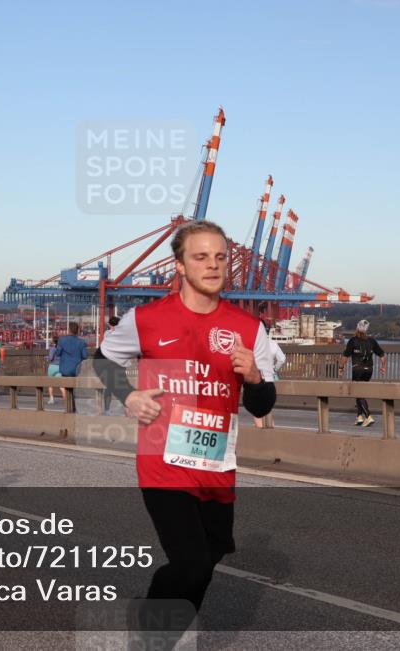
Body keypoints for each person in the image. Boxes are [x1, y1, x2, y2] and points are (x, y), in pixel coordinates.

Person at [93, 220, 276, 643]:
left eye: (220, 257)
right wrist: (129, 397)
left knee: (209, 559)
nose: (212, 265)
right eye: (200, 256)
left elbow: (262, 405)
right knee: (191, 563)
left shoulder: (249, 329)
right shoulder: (146, 320)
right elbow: (102, 361)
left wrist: (252, 377)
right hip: (162, 461)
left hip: (216, 461)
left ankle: (150, 621)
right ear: (179, 265)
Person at [338, 320, 387, 427]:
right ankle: (359, 417)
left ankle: (368, 416)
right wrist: (383, 367)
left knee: (358, 392)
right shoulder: (372, 341)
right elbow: (382, 355)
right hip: (369, 370)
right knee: (360, 392)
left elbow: (345, 357)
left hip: (357, 369)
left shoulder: (352, 341)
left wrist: (341, 367)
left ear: (357, 328)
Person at [254, 328, 286, 429]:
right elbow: (282, 359)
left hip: (258, 377)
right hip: (270, 377)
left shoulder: (254, 343)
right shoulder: (273, 343)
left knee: (256, 405)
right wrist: (274, 368)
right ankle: (270, 426)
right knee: (267, 404)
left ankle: (260, 429)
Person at [56, 322, 89, 412]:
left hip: (65, 369)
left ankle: (69, 409)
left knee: (67, 389)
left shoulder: (62, 340)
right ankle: (74, 408)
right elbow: (85, 356)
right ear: (77, 330)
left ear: (69, 330)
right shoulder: (81, 342)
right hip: (76, 370)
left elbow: (57, 353)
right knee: (74, 390)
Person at [100, 316, 121, 413]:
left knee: (108, 387)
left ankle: (107, 409)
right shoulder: (122, 334)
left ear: (109, 324)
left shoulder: (107, 333)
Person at [45, 335, 63, 405]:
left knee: (50, 384)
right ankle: (65, 399)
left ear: (53, 341)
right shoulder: (61, 349)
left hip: (53, 366)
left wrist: (46, 357)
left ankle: (51, 399)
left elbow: (51, 358)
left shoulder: (52, 348)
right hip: (60, 367)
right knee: (62, 385)